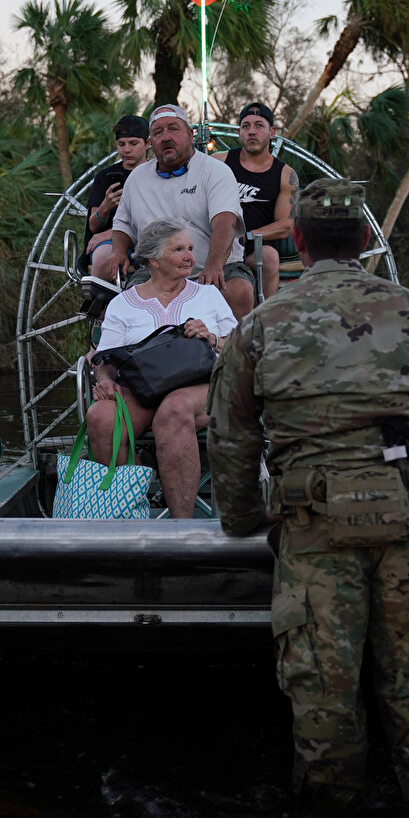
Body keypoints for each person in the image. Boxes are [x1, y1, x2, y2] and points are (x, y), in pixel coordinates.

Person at [207, 179, 409, 809]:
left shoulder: (264, 323)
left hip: (314, 529)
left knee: (324, 695)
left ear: (297, 241)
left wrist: (245, 519)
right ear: (362, 241)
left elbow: (230, 437)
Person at [88, 216, 237, 518]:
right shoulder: (123, 303)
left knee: (174, 409)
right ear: (153, 260)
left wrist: (210, 338)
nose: (190, 257)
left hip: (203, 388)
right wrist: (104, 380)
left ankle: (181, 528)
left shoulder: (208, 295)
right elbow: (104, 358)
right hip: (143, 390)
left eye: (191, 248)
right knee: (101, 416)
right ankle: (134, 508)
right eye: (178, 249)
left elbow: (243, 347)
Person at [106, 104, 255, 321]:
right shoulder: (137, 178)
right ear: (151, 142)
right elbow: (122, 225)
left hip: (216, 267)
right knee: (133, 303)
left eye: (173, 129)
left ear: (190, 134)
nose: (166, 137)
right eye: (158, 132)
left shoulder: (215, 171)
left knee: (239, 291)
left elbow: (225, 223)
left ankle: (235, 353)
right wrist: (118, 251)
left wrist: (214, 266)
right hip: (155, 272)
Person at [213, 101, 299, 298]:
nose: (252, 131)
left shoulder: (285, 174)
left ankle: (264, 318)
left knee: (269, 257)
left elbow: (285, 225)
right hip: (214, 238)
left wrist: (247, 236)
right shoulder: (219, 161)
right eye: (246, 126)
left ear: (272, 132)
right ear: (239, 132)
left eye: (259, 125)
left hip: (250, 244)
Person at [85, 115, 149, 281]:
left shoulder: (156, 174)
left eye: (133, 143)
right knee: (102, 261)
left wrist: (111, 233)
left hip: (146, 240)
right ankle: (101, 305)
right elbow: (93, 225)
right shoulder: (105, 177)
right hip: (110, 245)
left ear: (147, 143)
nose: (126, 150)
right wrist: (105, 206)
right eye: (121, 144)